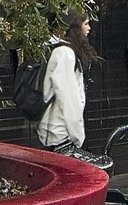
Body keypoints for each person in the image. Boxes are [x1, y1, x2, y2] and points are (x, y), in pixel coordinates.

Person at [35, 21, 97, 164]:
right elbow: (68, 100)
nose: (89, 27)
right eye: (86, 23)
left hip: (57, 134)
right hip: (59, 135)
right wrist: (78, 136)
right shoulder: (65, 54)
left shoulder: (61, 51)